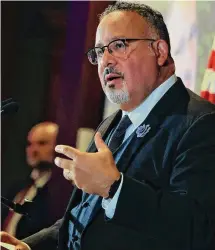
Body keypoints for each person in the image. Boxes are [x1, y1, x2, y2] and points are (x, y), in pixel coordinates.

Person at [1, 2, 215, 250]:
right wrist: (28, 247)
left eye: (119, 46)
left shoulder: (201, 124)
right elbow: (82, 219)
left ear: (159, 51)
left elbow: (196, 230)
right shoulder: (110, 126)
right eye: (100, 52)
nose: (105, 61)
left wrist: (115, 187)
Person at [2, 122, 59, 239]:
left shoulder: (59, 193)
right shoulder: (18, 187)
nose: (33, 150)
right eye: (29, 144)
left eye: (42, 143)